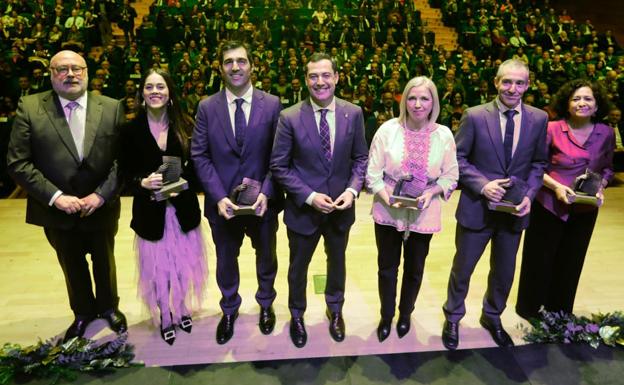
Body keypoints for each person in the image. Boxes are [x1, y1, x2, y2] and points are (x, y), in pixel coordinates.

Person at [6, 50, 127, 341]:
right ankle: (83, 312)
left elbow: (123, 160)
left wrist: (100, 195)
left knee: (104, 259)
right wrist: (56, 197)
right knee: (71, 263)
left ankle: (110, 307)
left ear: (86, 72)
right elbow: (18, 162)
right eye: (62, 69)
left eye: (76, 68)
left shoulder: (112, 107)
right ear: (51, 73)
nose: (70, 74)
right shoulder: (30, 106)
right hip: (56, 208)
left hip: (100, 205)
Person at [441, 59, 548, 350]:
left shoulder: (539, 119)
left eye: (520, 83)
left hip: (514, 211)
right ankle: (452, 316)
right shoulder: (474, 116)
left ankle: (492, 315)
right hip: (477, 208)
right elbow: (458, 160)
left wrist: (529, 195)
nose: (513, 89)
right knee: (463, 269)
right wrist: (482, 185)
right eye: (507, 82)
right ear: (496, 83)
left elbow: (539, 163)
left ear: (528, 85)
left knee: (503, 272)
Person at [270, 53, 368, 348]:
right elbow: (279, 166)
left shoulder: (354, 112)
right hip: (304, 210)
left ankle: (335, 309)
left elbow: (360, 159)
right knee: (298, 267)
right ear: (306, 80)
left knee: (337, 263)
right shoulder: (289, 117)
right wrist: (310, 196)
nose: (320, 82)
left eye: (326, 75)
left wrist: (352, 190)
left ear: (337, 77)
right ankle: (297, 315)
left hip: (340, 210)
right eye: (314, 76)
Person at [191, 40, 283, 345]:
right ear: (220, 68)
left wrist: (267, 192)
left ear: (252, 66)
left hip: (261, 204)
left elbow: (279, 156)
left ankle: (266, 304)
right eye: (229, 61)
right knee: (226, 260)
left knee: (266, 258)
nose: (235, 67)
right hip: (224, 205)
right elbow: (200, 155)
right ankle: (229, 309)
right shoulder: (206, 107)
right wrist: (218, 197)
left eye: (241, 61)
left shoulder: (272, 104)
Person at [119, 69, 208, 345]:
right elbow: (123, 172)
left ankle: (181, 309)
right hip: (150, 213)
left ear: (170, 93)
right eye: (149, 87)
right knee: (158, 271)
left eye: (161, 86)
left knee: (183, 267)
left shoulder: (186, 125)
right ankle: (165, 315)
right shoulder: (129, 129)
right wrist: (141, 182)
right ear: (142, 95)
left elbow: (198, 169)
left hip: (182, 210)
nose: (155, 91)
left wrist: (183, 181)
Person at [367, 76, 458, 342]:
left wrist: (432, 192)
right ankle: (386, 316)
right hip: (388, 209)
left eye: (424, 98)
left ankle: (405, 314)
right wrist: (386, 196)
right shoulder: (387, 130)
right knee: (387, 267)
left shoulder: (444, 134)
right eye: (412, 98)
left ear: (434, 103)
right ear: (404, 100)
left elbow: (451, 176)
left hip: (424, 210)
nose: (417, 104)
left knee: (415, 268)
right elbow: (372, 173)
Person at [516, 79, 615, 320]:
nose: (582, 103)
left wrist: (600, 186)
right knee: (539, 258)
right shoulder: (552, 128)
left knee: (572, 260)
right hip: (549, 203)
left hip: (585, 208)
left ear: (597, 103)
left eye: (588, 99)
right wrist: (558, 187)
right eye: (576, 99)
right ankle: (529, 309)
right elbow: (536, 166)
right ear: (567, 104)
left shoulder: (606, 132)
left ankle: (559, 311)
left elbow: (608, 168)